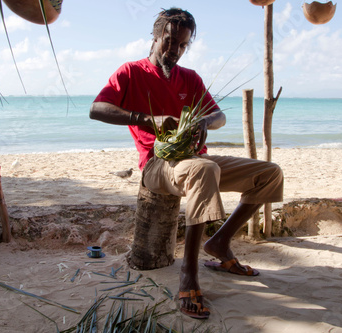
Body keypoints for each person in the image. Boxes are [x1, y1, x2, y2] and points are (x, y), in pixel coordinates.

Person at [90, 7, 283, 320]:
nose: (175, 50)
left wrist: (205, 120)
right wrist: (147, 119)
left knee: (269, 174)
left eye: (182, 45)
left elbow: (219, 116)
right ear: (154, 37)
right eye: (169, 41)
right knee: (204, 169)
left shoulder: (190, 78)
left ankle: (220, 242)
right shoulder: (131, 72)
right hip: (157, 165)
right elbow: (97, 109)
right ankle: (188, 275)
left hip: (197, 160)